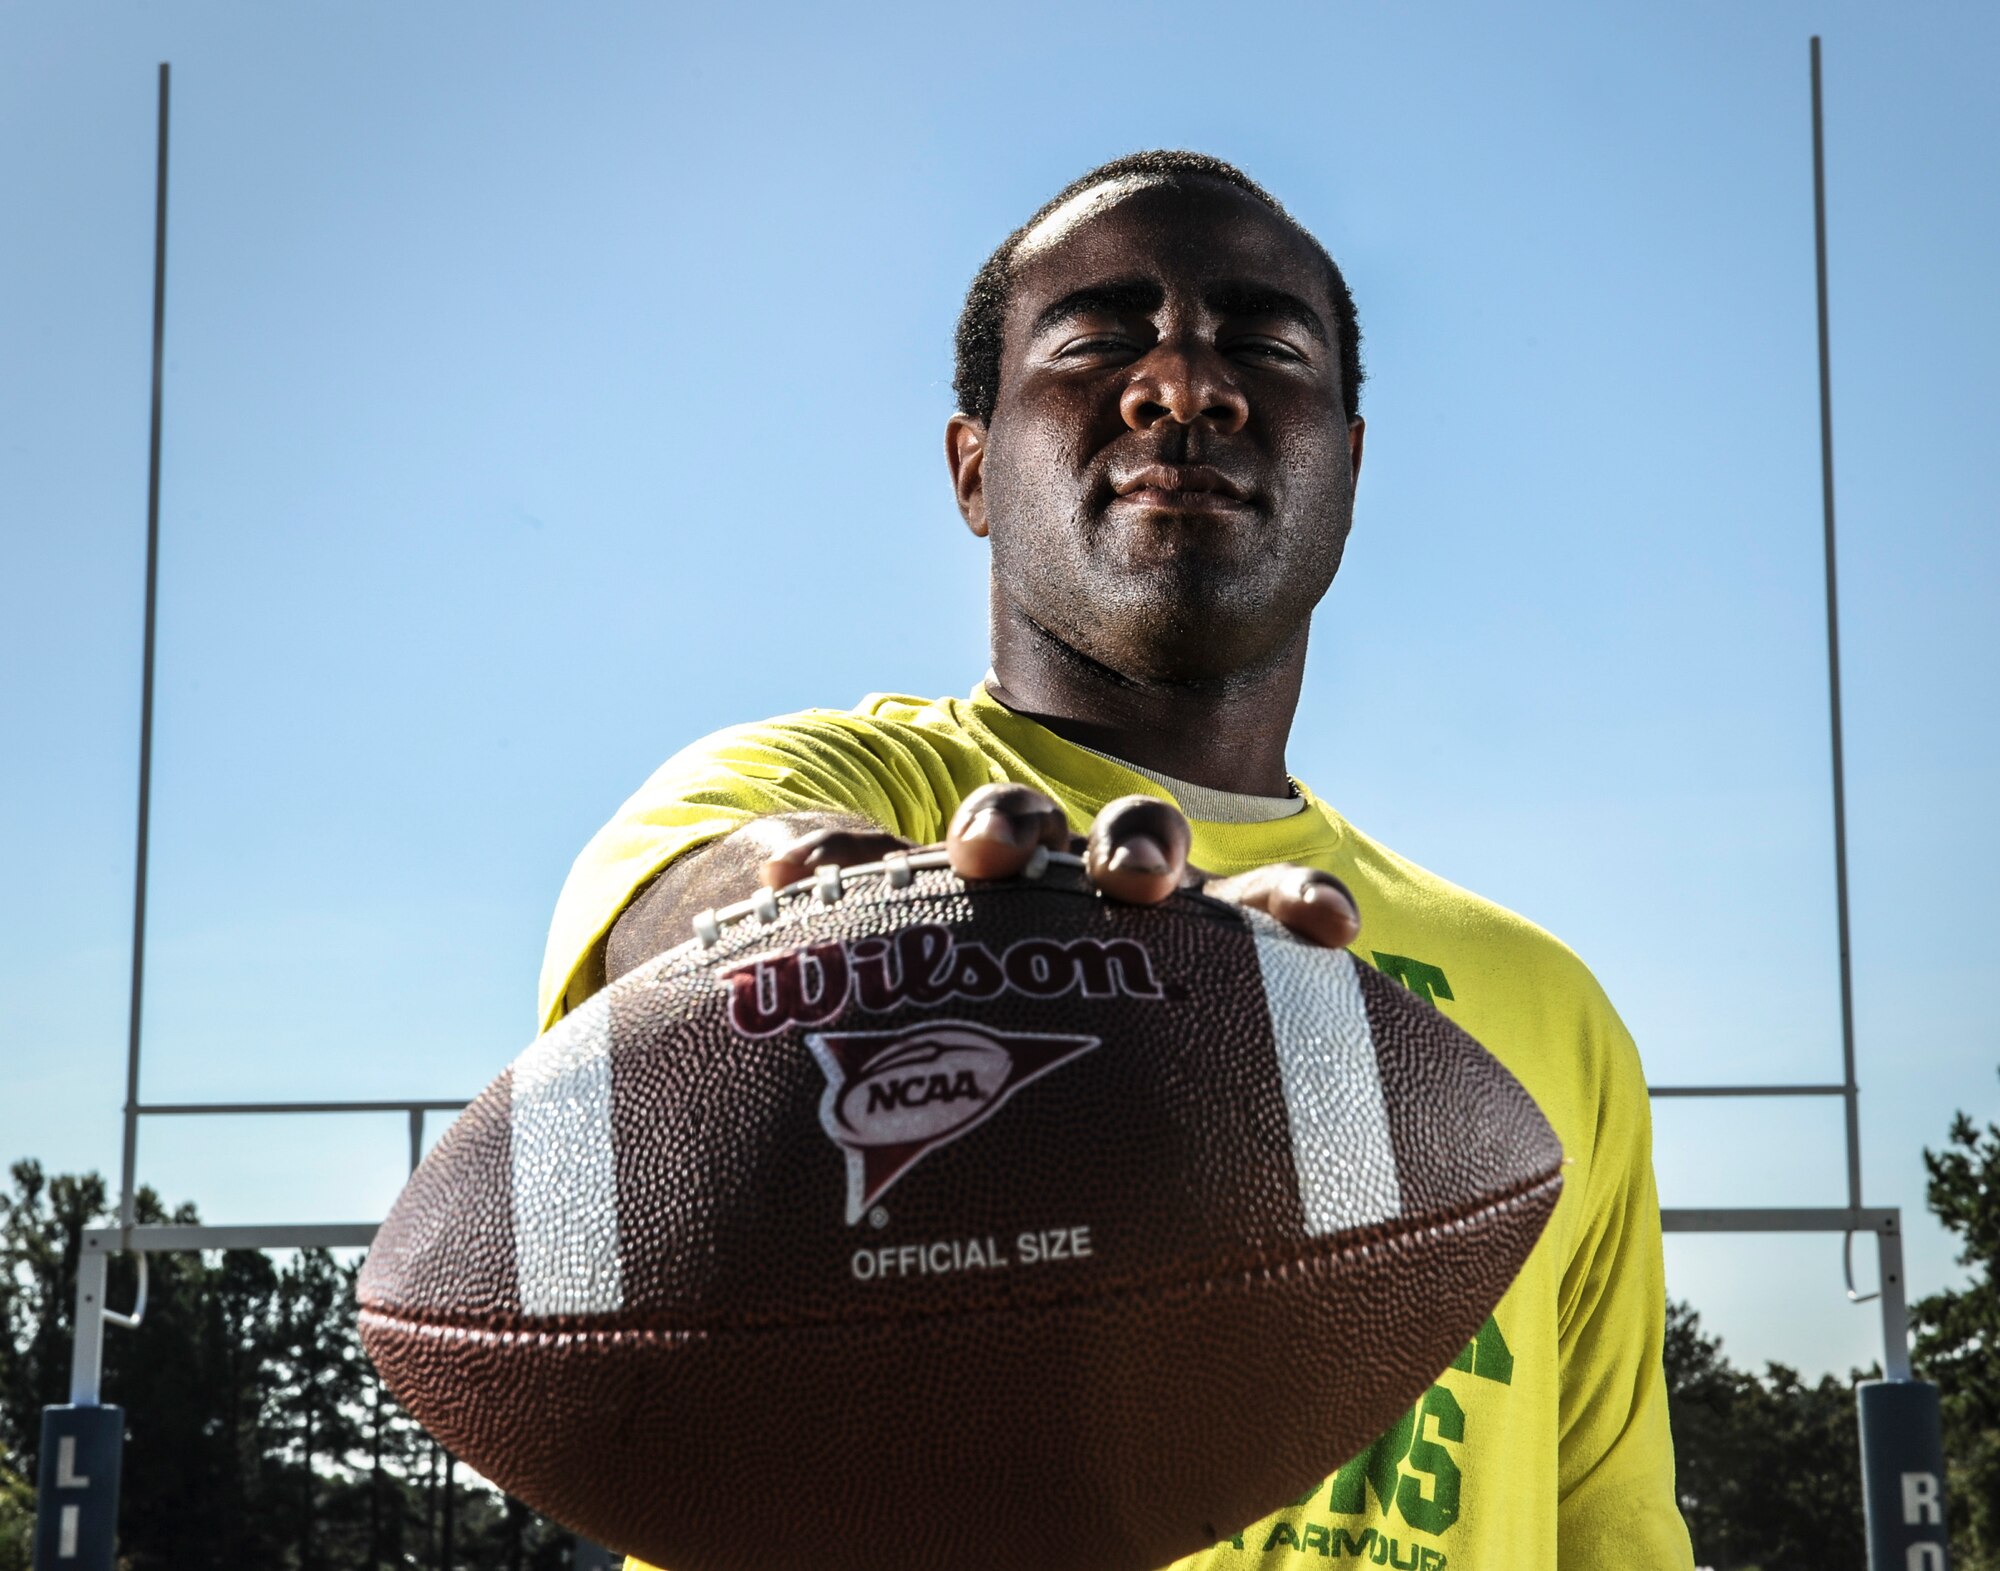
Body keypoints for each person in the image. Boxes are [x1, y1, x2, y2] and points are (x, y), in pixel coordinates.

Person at [539, 149, 1694, 1569]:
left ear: (1349, 461)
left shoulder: (1541, 1010)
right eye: (1102, 339)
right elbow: (688, 916)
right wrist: (878, 923)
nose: (1187, 385)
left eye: (1265, 346)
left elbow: (1607, 1536)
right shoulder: (826, 782)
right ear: (973, 467)